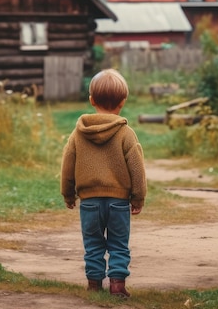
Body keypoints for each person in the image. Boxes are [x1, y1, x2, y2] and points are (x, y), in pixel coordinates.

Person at [60, 69, 147, 298]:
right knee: (118, 243)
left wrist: (68, 194)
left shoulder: (78, 134)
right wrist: (138, 197)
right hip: (118, 202)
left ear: (91, 100)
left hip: (89, 202)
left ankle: (94, 284)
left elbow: (68, 163)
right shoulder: (126, 133)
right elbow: (137, 167)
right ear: (122, 102)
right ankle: (117, 285)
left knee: (93, 243)